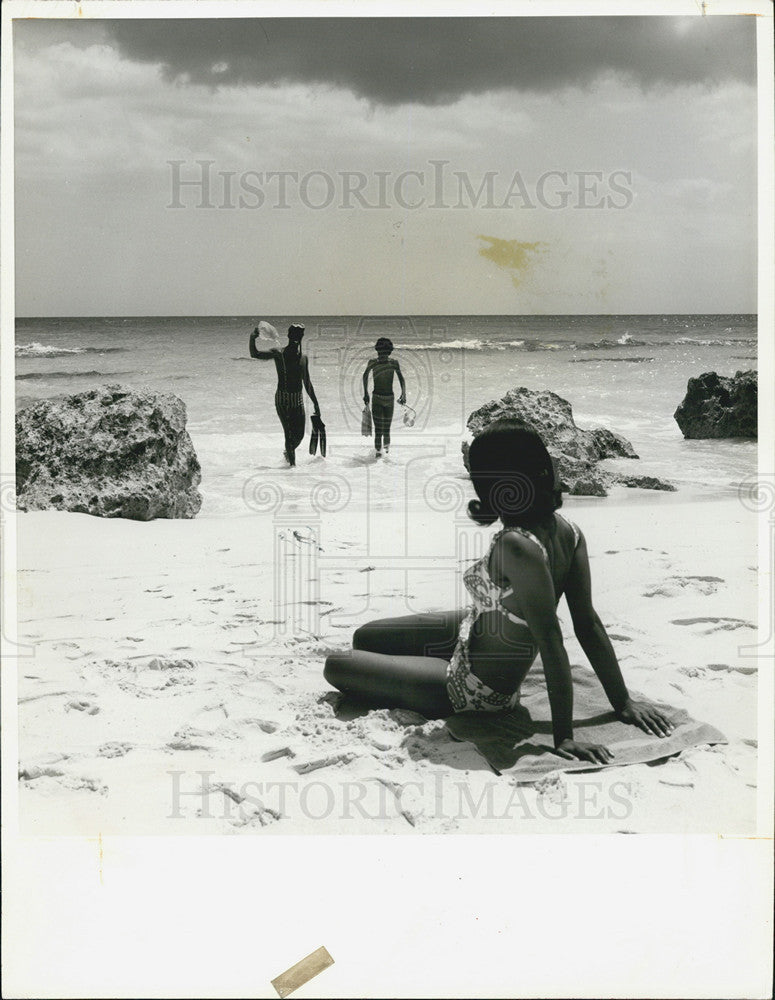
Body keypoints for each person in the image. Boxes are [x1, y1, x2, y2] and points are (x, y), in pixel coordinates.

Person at [324, 421, 674, 764]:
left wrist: (564, 736)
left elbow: (552, 641)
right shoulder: (571, 533)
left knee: (337, 664)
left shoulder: (517, 545)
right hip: (474, 630)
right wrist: (622, 702)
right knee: (364, 636)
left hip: (474, 689)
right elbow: (588, 624)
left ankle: (428, 673)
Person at [250, 322, 321, 467]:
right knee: (288, 434)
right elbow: (255, 354)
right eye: (295, 334)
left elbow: (307, 382)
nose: (297, 337)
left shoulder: (303, 358)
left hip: (298, 400)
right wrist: (253, 337)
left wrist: (316, 403)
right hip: (283, 399)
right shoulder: (279, 353)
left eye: (300, 335)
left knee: (299, 436)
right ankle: (292, 468)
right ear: (289, 335)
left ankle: (288, 453)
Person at [362, 338, 406, 458]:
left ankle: (386, 455)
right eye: (381, 354)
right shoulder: (373, 362)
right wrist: (365, 393)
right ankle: (378, 454)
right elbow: (365, 375)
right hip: (376, 398)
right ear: (377, 351)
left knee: (386, 429)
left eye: (385, 354)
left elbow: (401, 378)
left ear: (389, 352)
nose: (383, 356)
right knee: (378, 430)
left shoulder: (393, 363)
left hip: (389, 399)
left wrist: (404, 394)